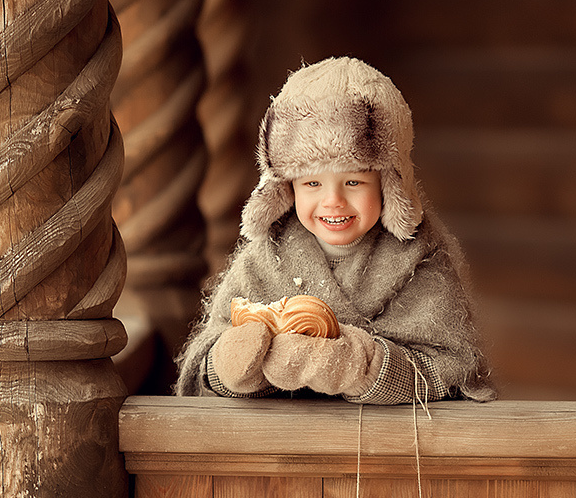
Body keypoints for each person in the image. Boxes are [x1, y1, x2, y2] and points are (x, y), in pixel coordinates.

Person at [175, 57, 495, 404]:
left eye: (354, 181)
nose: (333, 201)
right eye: (312, 182)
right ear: (286, 188)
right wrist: (235, 367)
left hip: (381, 449)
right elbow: (204, 366)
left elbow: (450, 373)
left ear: (391, 184)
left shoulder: (421, 261)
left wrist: (358, 366)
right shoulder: (263, 260)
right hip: (278, 450)